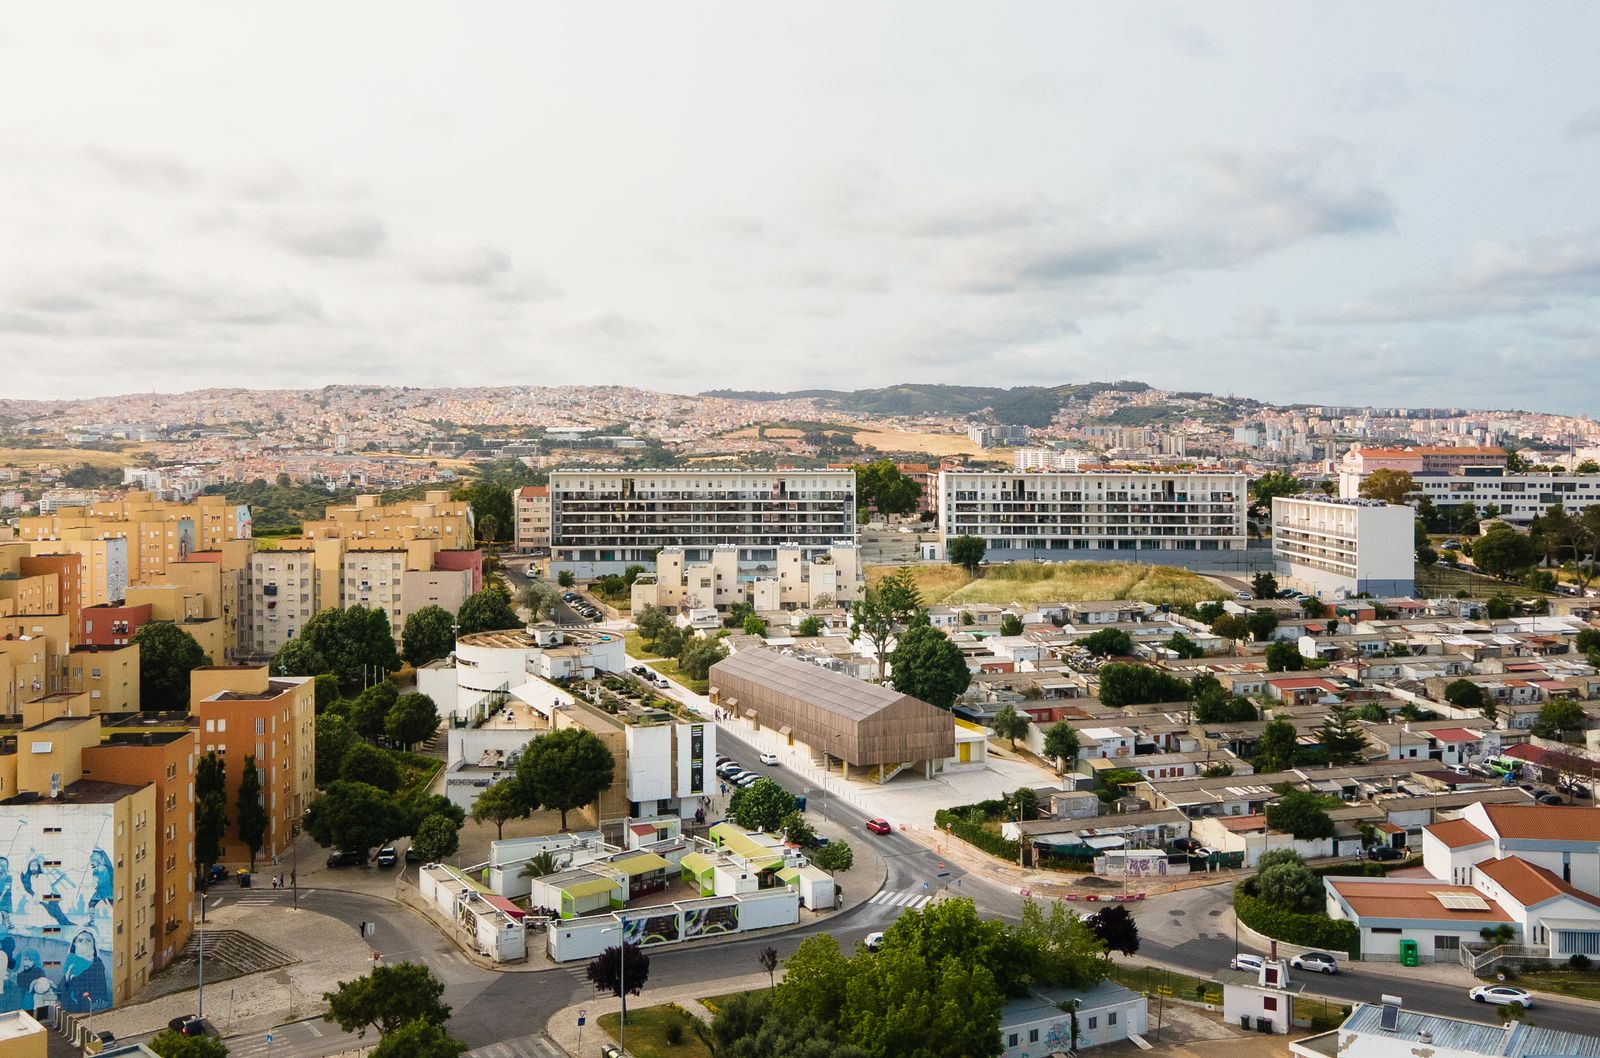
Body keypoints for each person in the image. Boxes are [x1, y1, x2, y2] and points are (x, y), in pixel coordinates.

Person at [59, 929, 109, 1012]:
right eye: (80, 940)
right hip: (68, 1005)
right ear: (75, 944)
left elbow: (100, 988)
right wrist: (67, 979)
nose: (84, 943)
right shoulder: (70, 961)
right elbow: (62, 988)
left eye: (88, 940)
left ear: (93, 944)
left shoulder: (97, 962)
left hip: (87, 1003)